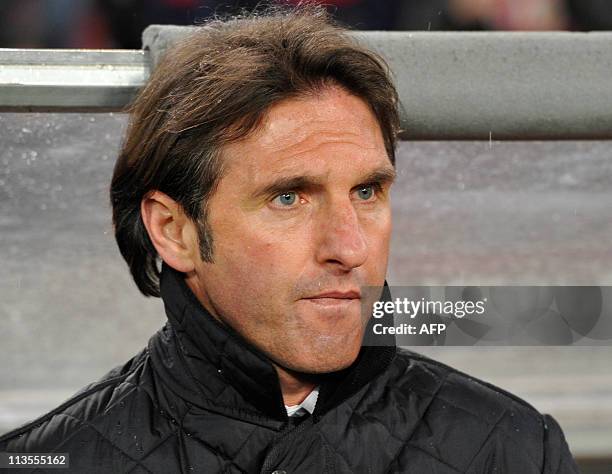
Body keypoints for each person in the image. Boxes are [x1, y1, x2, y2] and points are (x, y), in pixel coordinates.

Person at [0, 5, 578, 473]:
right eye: (288, 197)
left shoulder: (516, 449)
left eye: (368, 192)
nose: (349, 248)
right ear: (173, 231)